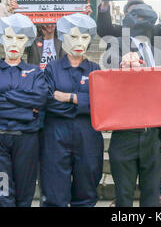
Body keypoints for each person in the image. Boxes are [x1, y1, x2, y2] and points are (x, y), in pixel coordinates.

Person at [98, 0, 161, 207]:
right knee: (123, 196)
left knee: (152, 196)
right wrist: (122, 65)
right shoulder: (115, 47)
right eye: (135, 16)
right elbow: (107, 71)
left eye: (145, 17)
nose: (141, 21)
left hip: (153, 135)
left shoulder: (159, 52)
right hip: (125, 133)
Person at [0, 14, 48, 207]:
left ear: (27, 41)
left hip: (26, 141)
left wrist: (6, 95)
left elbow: (40, 99)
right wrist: (27, 111)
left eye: (20, 38)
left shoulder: (36, 72)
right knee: (3, 196)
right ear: (1, 39)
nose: (14, 43)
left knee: (24, 197)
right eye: (9, 37)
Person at [41, 13, 103, 207]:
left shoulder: (95, 69)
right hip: (56, 135)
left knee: (86, 191)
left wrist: (70, 98)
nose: (80, 42)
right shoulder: (52, 68)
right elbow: (48, 101)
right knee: (54, 194)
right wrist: (84, 104)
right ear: (64, 37)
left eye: (85, 37)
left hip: (88, 137)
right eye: (74, 37)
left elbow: (101, 103)